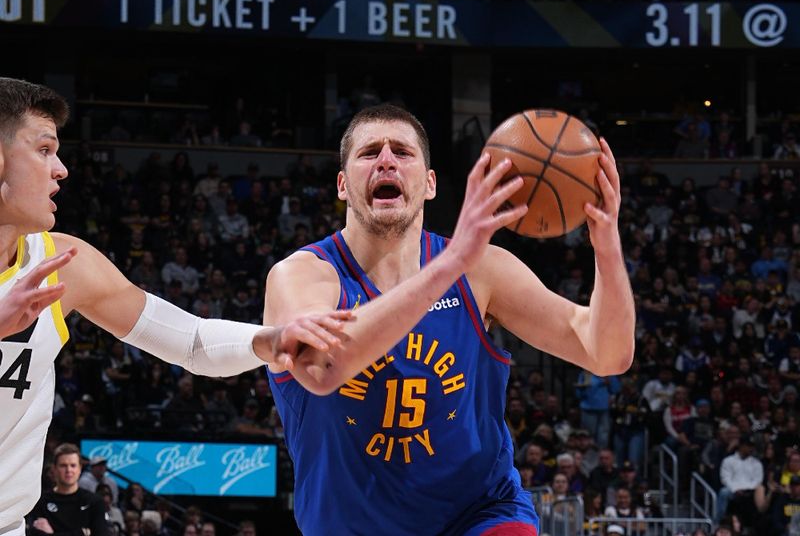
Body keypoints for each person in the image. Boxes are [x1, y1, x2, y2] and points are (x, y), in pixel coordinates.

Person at [0, 77, 350, 536]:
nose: (61, 169)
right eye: (44, 150)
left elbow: (192, 343)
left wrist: (268, 340)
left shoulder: (66, 264)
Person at [264, 104, 634, 535]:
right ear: (343, 185)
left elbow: (606, 353)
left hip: (477, 514)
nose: (386, 160)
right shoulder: (301, 276)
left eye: (402, 152)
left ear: (430, 184)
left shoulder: (482, 271)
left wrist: (606, 245)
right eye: (369, 153)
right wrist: (453, 261)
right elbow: (323, 367)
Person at [27, 443, 108, 536]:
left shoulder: (94, 502)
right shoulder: (41, 501)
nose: (68, 470)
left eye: (73, 465)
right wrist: (80, 533)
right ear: (54, 469)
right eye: (63, 465)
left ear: (80, 469)